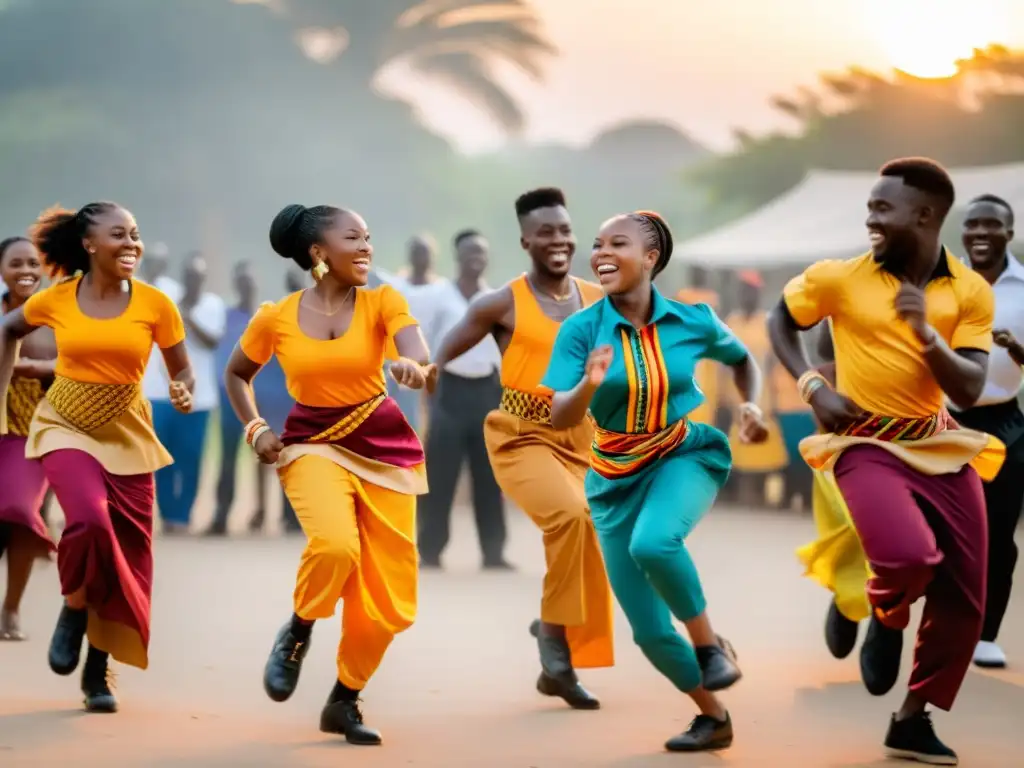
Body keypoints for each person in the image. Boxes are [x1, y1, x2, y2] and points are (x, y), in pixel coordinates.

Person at [767, 158, 1004, 765]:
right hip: (862, 442)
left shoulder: (970, 291)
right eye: (870, 206)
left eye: (881, 208)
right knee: (906, 558)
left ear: (924, 216)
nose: (869, 218)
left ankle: (911, 720)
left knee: (965, 596)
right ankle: (885, 611)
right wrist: (813, 388)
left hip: (940, 442)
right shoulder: (838, 278)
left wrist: (928, 336)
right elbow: (781, 320)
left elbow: (973, 389)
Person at [543, 211, 766, 752]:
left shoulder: (694, 320)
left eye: (617, 243)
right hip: (612, 478)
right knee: (648, 631)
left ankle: (711, 647)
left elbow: (742, 360)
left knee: (655, 541)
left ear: (650, 258)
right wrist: (589, 385)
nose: (599, 253)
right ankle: (714, 717)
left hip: (681, 454)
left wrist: (751, 404)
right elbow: (559, 416)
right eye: (595, 245)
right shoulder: (580, 330)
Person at [223, 204, 435, 745]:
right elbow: (237, 374)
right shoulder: (276, 316)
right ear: (319, 252)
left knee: (389, 602)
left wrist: (414, 366)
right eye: (353, 238)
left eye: (368, 237)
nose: (366, 247)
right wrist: (255, 429)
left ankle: (344, 699)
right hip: (313, 444)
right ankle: (298, 631)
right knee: (336, 546)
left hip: (383, 446)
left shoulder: (383, 300)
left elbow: (416, 350)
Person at [0, 203, 194, 712]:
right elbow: (7, 331)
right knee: (88, 523)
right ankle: (74, 606)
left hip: (128, 433)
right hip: (65, 423)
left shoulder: (156, 304)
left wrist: (181, 388)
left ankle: (97, 669)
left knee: (128, 552)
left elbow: (183, 369)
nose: (132, 243)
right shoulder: (56, 299)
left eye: (135, 233)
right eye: (118, 235)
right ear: (89, 245)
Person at [433, 187, 613, 709]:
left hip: (582, 435)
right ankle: (555, 644)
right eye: (545, 232)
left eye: (564, 230)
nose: (558, 240)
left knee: (592, 534)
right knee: (572, 516)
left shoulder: (598, 299)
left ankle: (555, 642)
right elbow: (446, 349)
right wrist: (424, 371)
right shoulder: (500, 303)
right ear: (525, 240)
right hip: (520, 433)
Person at [953, 194, 1024, 669]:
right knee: (935, 527)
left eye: (990, 225)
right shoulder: (943, 281)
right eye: (971, 224)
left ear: (1009, 233)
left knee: (998, 531)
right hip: (941, 420)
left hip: (1002, 421)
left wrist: (1015, 347)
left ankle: (986, 636)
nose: (979, 233)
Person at [417, 229, 508, 570]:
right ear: (457, 255)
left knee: (489, 475)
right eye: (470, 251)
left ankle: (494, 552)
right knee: (440, 474)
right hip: (448, 390)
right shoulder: (439, 295)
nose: (477, 257)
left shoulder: (496, 299)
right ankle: (430, 550)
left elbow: (504, 349)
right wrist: (428, 389)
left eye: (482, 252)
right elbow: (422, 341)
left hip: (487, 390)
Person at [0, 236, 57, 640]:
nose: (26, 271)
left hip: (28, 433)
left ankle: (11, 608)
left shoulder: (54, 315)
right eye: (16, 263)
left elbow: (71, 361)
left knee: (18, 510)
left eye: (33, 264)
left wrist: (32, 366)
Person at [152, 253, 226, 533]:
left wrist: (188, 317)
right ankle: (168, 514)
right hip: (162, 393)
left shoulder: (212, 305)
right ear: (183, 277)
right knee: (163, 456)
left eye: (199, 277)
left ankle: (183, 515)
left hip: (200, 398)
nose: (194, 281)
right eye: (189, 276)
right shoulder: (168, 301)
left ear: (204, 280)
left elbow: (212, 342)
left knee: (191, 457)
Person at [722, 271, 787, 506]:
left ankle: (762, 496)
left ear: (758, 295)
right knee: (738, 443)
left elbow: (773, 362)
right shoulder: (732, 322)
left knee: (764, 443)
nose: (746, 296)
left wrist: (776, 392)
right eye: (743, 291)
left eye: (751, 291)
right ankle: (743, 494)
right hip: (736, 391)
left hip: (763, 393)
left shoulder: (767, 322)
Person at [377, 235, 446, 433]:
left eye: (425, 253)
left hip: (428, 363)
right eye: (417, 252)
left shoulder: (442, 289)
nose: (421, 258)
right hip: (394, 363)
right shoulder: (396, 286)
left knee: (421, 420)